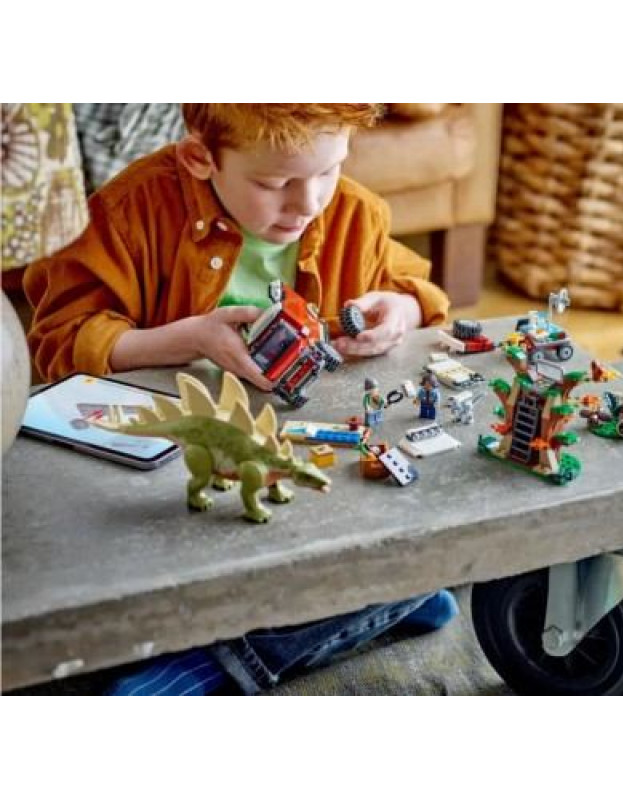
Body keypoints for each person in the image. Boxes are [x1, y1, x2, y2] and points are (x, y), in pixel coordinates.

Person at [23, 103, 458, 695]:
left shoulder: (355, 213)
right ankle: (389, 603)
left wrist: (400, 309)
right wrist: (188, 338)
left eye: (329, 170)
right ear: (200, 157)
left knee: (404, 533)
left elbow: (417, 293)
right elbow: (59, 343)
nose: (308, 203)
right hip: (172, 475)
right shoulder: (129, 211)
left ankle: (360, 609)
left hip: (306, 481)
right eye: (275, 184)